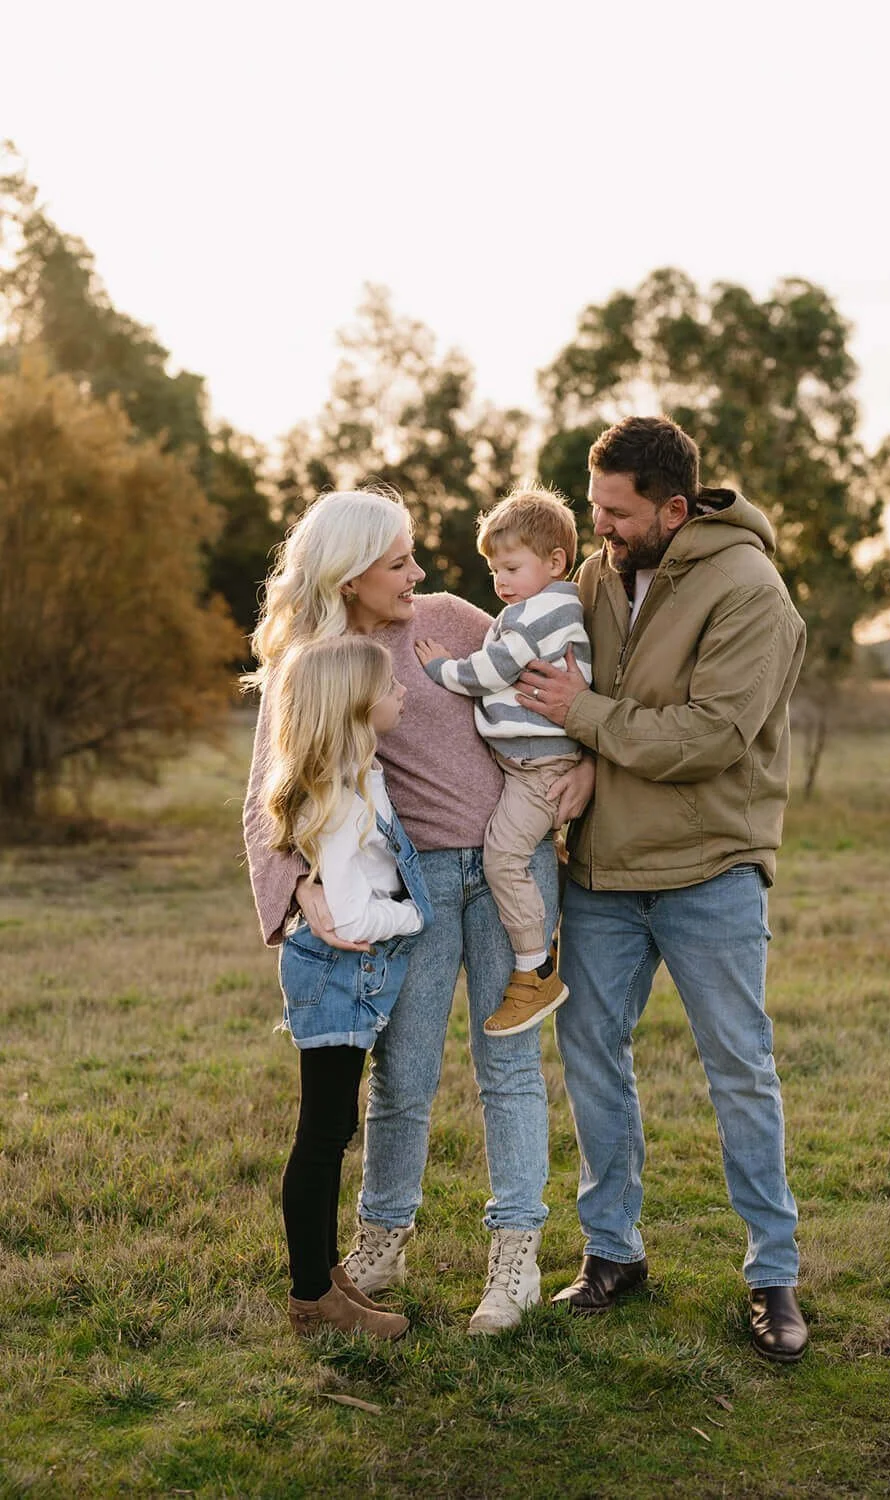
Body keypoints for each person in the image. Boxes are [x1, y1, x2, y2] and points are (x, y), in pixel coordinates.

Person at [243, 489, 593, 1335]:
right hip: (421, 883)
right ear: (350, 574)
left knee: (506, 1065)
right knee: (402, 1074)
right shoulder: (317, 662)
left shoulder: (453, 618)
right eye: (399, 561)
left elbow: (560, 679)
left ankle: (514, 1256)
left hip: (513, 862)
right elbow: (269, 792)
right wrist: (297, 890)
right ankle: (384, 1237)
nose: (420, 573)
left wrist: (588, 764)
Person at [518, 416, 810, 1363]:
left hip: (711, 870)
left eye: (614, 510)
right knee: (593, 1056)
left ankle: (773, 1273)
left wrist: (585, 717)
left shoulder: (749, 591)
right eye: (593, 505)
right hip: (600, 870)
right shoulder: (601, 574)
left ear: (674, 509)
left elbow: (710, 736)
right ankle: (613, 1254)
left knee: (740, 1069)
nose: (595, 525)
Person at [258, 634, 431, 1338]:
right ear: (357, 707)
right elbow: (355, 914)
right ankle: (311, 1298)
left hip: (342, 975)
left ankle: (326, 1275)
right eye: (389, 689)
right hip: (337, 973)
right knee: (323, 1131)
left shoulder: (358, 774)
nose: (402, 695)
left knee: (334, 1126)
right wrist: (413, 912)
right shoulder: (339, 799)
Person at [414, 487, 592, 1037]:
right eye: (495, 570)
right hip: (531, 766)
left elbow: (489, 671)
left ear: (556, 561)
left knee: (503, 860)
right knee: (514, 850)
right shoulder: (547, 608)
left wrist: (442, 668)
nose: (501, 582)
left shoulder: (535, 617)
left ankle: (534, 969)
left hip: (539, 769)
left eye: (512, 567)